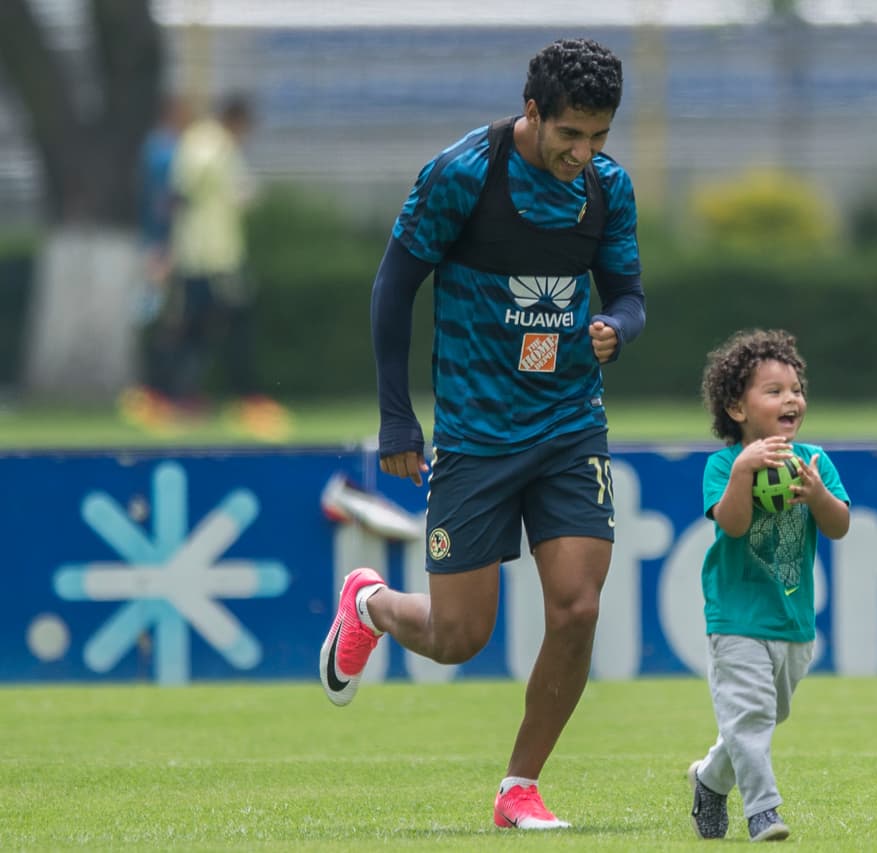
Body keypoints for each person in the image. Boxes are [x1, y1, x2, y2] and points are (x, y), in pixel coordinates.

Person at [319, 38, 646, 831]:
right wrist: (398, 415)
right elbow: (393, 287)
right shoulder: (464, 173)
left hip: (570, 425)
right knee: (460, 635)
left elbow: (630, 294)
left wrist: (615, 328)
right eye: (571, 134)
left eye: (600, 136)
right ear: (533, 113)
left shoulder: (606, 189)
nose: (584, 153)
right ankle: (371, 606)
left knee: (576, 608)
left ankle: (519, 787)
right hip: (473, 431)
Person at [688, 329, 850, 842]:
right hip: (736, 615)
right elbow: (732, 524)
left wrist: (819, 495)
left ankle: (710, 780)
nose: (792, 399)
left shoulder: (814, 460)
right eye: (774, 390)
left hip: (794, 620)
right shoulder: (722, 465)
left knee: (764, 716)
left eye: (796, 388)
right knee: (751, 715)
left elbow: (840, 525)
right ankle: (763, 810)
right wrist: (741, 473)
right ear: (737, 407)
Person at [166, 92, 291, 440]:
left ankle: (184, 399)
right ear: (237, 120)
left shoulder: (201, 141)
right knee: (230, 327)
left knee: (200, 329)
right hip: (213, 256)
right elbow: (191, 188)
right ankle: (244, 401)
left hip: (202, 255)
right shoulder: (213, 144)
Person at [118, 94, 190, 434]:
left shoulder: (152, 148)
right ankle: (152, 395)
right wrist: (166, 246)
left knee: (157, 317)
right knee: (161, 320)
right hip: (161, 248)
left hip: (153, 244)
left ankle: (152, 393)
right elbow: (166, 202)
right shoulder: (167, 152)